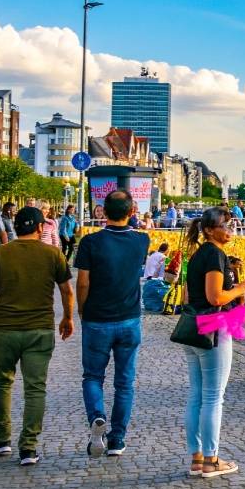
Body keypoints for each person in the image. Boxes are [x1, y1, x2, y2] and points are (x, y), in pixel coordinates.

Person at [0, 207, 75, 466]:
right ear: (41, 228)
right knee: (35, 388)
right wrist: (68, 318)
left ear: (15, 227)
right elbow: (67, 291)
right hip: (40, 329)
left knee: (2, 383)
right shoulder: (53, 254)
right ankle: (28, 447)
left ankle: (2, 439)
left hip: (4, 328)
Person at [73, 190, 150, 458]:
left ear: (102, 212)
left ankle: (97, 417)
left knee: (93, 376)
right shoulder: (142, 240)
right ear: (132, 213)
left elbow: (83, 282)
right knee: (125, 383)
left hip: (97, 318)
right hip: (129, 319)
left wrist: (81, 311)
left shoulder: (90, 242)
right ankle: (117, 439)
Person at [181, 208, 245, 478]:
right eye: (226, 225)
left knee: (197, 394)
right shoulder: (214, 254)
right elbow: (215, 297)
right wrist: (241, 288)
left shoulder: (199, 254)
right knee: (213, 397)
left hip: (194, 328)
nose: (231, 229)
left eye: (232, 224)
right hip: (213, 327)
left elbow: (191, 295)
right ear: (210, 230)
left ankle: (197, 458)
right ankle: (212, 460)